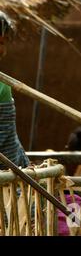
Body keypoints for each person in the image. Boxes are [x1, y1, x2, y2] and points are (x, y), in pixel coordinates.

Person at [0, 11, 30, 170]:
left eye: (2, 43)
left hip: (8, 177)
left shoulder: (3, 84)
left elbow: (5, 139)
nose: (2, 50)